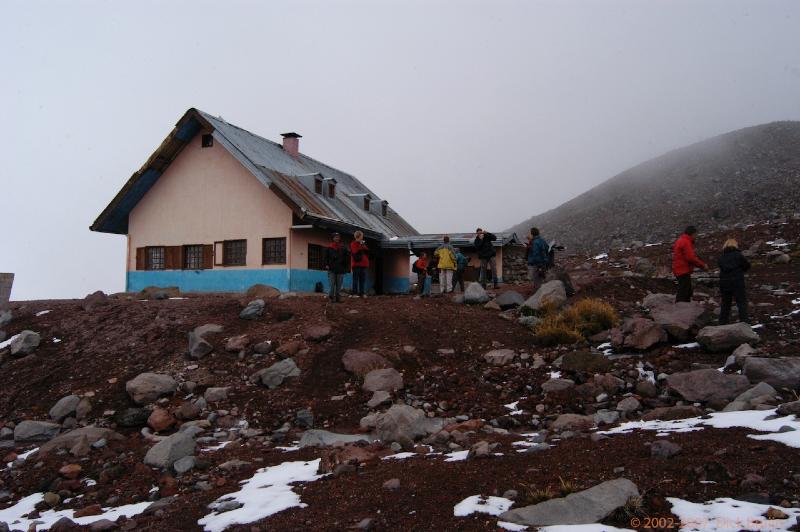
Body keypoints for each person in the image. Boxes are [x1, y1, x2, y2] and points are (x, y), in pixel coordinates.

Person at [672, 225, 708, 302]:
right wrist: (702, 265)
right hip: (682, 270)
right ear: (693, 233)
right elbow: (690, 257)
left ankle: (682, 308)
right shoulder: (686, 242)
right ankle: (681, 309)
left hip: (679, 269)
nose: (696, 237)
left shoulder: (681, 240)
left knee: (686, 290)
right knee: (684, 292)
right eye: (696, 234)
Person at [718, 238, 750, 324]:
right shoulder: (738, 255)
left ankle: (722, 322)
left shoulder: (722, 257)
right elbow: (746, 265)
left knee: (725, 304)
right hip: (737, 281)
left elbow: (721, 267)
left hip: (724, 283)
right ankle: (744, 322)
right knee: (741, 303)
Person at [324, 233, 350, 303]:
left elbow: (347, 257)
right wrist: (326, 264)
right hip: (331, 269)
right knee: (332, 285)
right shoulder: (329, 247)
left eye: (338, 237)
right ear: (333, 238)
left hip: (340, 269)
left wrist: (346, 267)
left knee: (339, 285)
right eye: (335, 237)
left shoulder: (343, 248)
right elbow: (326, 257)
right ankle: (331, 297)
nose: (337, 238)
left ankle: (338, 298)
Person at [350, 230, 369, 298]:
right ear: (358, 236)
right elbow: (356, 252)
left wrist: (363, 245)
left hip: (364, 265)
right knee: (355, 279)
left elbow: (367, 251)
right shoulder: (353, 244)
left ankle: (362, 293)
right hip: (356, 265)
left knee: (362, 280)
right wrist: (360, 245)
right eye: (361, 236)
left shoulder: (362, 244)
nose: (362, 237)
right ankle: (354, 293)